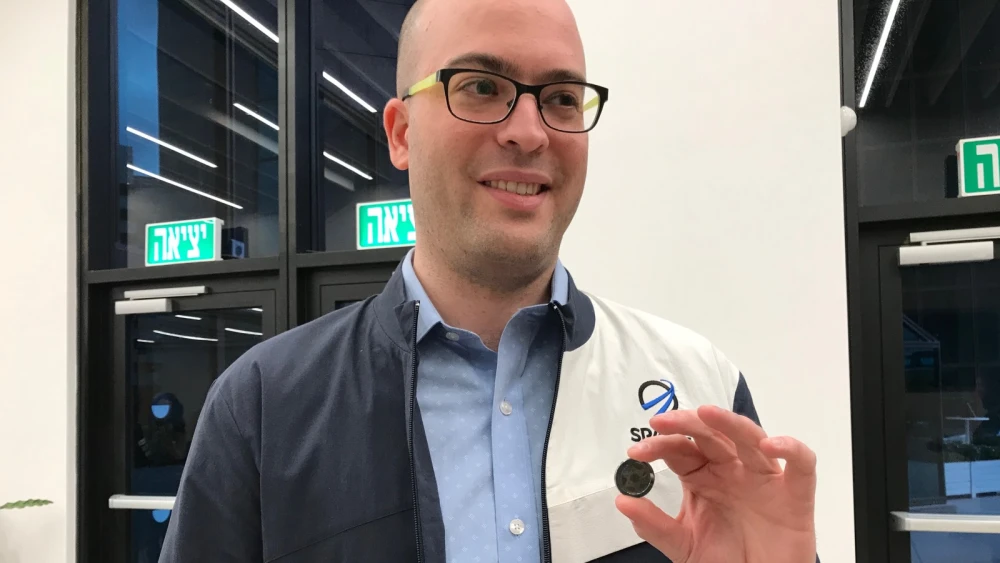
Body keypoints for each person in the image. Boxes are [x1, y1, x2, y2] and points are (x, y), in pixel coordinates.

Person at [159, 0, 818, 561]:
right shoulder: (264, 408)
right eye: (480, 87)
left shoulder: (699, 386)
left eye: (561, 98)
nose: (529, 132)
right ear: (400, 133)